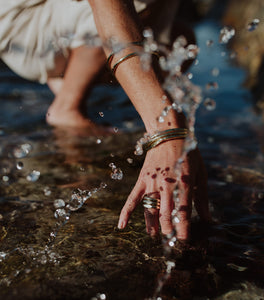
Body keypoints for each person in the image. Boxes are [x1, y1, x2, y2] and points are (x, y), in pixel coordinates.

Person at [0, 0, 211, 240]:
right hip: (20, 28)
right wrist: (165, 132)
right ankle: (66, 105)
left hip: (56, 23)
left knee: (179, 39)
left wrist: (177, 131)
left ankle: (68, 77)